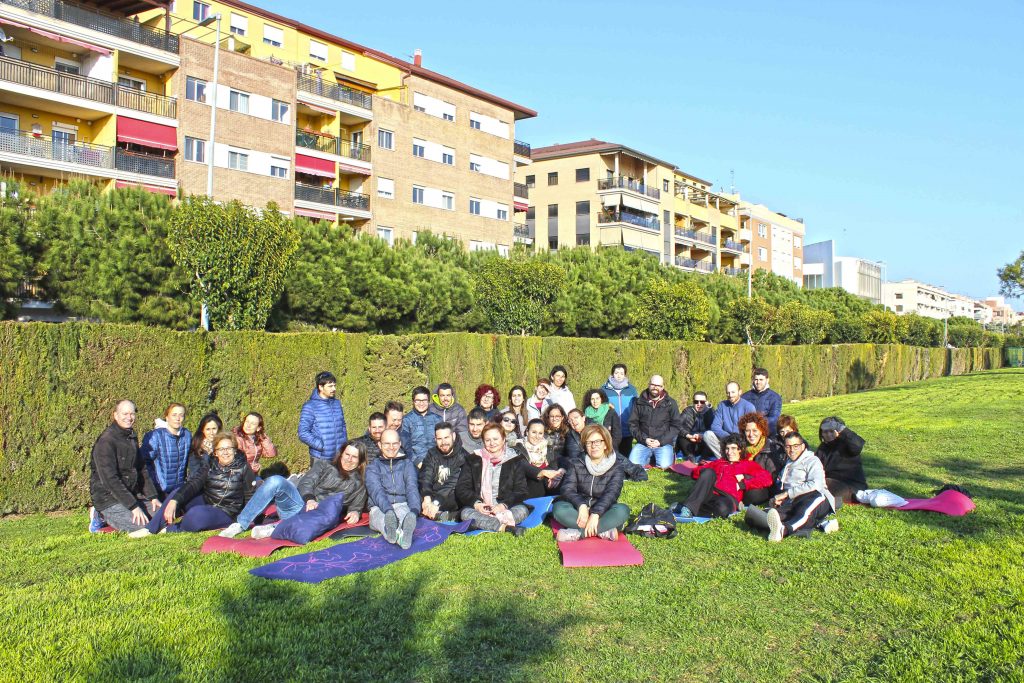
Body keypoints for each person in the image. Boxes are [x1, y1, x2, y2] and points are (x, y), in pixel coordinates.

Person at [219, 441, 368, 538]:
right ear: (341, 453)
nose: (349, 459)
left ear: (360, 461)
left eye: (354, 457)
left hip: (318, 518)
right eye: (347, 454)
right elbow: (306, 482)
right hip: (299, 506)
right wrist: (310, 498)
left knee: (327, 518)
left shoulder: (359, 483)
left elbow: (357, 504)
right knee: (275, 480)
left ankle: (274, 529)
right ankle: (240, 524)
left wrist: (355, 512)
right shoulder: (324, 465)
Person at [140, 431, 259, 536]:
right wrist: (174, 501)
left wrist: (249, 520)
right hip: (208, 501)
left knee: (196, 515)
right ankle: (150, 529)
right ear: (216, 452)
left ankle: (174, 528)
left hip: (226, 511)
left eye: (229, 448)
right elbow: (194, 482)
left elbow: (250, 495)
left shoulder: (244, 467)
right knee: (177, 493)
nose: (225, 452)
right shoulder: (210, 465)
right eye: (221, 449)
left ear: (235, 450)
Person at [745, 432, 838, 541]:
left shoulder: (812, 461)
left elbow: (816, 484)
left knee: (804, 510)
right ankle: (819, 523)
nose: (792, 450)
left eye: (795, 446)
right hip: (792, 502)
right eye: (788, 447)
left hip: (816, 497)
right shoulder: (787, 464)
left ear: (803, 446)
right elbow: (782, 487)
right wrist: (776, 499)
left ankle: (783, 530)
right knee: (756, 516)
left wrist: (787, 494)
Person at [89, 400, 159, 533]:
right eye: (125, 413)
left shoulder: (131, 436)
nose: (129, 417)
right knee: (144, 528)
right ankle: (100, 514)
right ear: (115, 415)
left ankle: (128, 511)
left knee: (161, 516)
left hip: (130, 495)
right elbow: (110, 480)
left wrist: (153, 497)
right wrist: (134, 507)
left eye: (132, 413)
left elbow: (141, 468)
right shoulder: (106, 441)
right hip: (108, 498)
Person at [552, 424, 630, 542]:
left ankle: (578, 533)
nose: (594, 446)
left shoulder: (617, 467)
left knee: (622, 510)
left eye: (598, 441)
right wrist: (581, 506)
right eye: (589, 443)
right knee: (559, 509)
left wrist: (595, 514)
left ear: (605, 444)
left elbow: (612, 494)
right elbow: (567, 489)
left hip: (603, 511)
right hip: (578, 512)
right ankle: (605, 529)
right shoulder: (576, 463)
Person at [455, 422, 530, 535]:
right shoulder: (473, 459)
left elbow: (521, 490)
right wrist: (477, 504)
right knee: (465, 513)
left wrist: (503, 505)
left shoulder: (515, 460)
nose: (492, 443)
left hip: (506, 507)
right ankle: (505, 527)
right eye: (488, 440)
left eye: (495, 439)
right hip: (481, 508)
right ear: (483, 441)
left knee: (522, 510)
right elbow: (462, 488)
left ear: (503, 439)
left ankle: (488, 523)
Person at [675, 435, 772, 519]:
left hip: (729, 498)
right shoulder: (718, 462)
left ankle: (686, 506)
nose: (729, 452)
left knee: (722, 509)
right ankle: (689, 508)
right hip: (710, 492)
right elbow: (695, 473)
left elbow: (766, 478)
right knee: (708, 472)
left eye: (733, 448)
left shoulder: (748, 464)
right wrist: (707, 474)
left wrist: (743, 483)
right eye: (727, 448)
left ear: (740, 450)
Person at [365, 429, 420, 550]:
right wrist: (388, 510)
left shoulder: (407, 464)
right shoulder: (373, 466)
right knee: (382, 519)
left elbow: (412, 488)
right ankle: (394, 531)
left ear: (400, 444)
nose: (391, 447)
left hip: (401, 504)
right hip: (379, 507)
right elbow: (376, 491)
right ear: (380, 445)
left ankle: (400, 532)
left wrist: (415, 511)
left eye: (394, 443)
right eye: (387, 444)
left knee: (404, 516)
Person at [140, 403, 192, 499]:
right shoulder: (156, 436)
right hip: (160, 490)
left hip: (178, 490)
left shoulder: (187, 435)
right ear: (167, 417)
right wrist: (155, 483)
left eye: (181, 415)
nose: (178, 418)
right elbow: (144, 462)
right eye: (174, 415)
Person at [628, 375, 681, 470]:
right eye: (653, 384)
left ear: (662, 387)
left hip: (663, 443)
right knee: (633, 465)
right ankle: (650, 457)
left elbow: (676, 426)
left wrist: (660, 441)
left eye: (658, 385)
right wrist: (644, 439)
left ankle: (662, 456)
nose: (655, 387)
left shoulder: (671, 403)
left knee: (665, 466)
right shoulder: (639, 402)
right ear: (648, 385)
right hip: (644, 442)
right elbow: (633, 424)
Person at [418, 422, 467, 522]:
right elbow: (426, 476)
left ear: (453, 436)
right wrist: (427, 498)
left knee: (457, 493)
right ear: (435, 439)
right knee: (416, 494)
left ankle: (441, 514)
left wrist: (436, 502)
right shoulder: (432, 453)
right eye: (439, 439)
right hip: (433, 493)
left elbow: (452, 483)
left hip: (449, 494)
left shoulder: (463, 456)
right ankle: (439, 515)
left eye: (446, 437)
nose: (443, 442)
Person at [298, 371, 347, 466]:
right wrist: (322, 446)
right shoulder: (310, 406)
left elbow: (343, 426)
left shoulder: (337, 404)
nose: (334, 389)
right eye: (330, 386)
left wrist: (344, 445)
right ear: (320, 387)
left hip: (338, 457)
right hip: (320, 459)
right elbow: (303, 433)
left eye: (334, 385)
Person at [816, 416, 867, 504]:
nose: (828, 434)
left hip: (851, 487)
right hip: (830, 485)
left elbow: (858, 445)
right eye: (825, 432)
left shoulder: (848, 444)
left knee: (828, 484)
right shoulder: (822, 449)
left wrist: (842, 429)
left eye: (831, 431)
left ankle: (832, 502)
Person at [704, 381, 756, 459]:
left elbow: (751, 429)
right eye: (728, 393)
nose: (730, 395)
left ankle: (738, 458)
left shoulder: (749, 407)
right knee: (707, 435)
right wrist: (729, 438)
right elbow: (715, 426)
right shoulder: (722, 405)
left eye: (733, 392)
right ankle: (724, 459)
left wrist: (736, 440)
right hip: (726, 439)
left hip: (741, 441)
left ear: (740, 392)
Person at [516, 418, 565, 498]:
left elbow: (563, 461)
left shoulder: (548, 448)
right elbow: (522, 466)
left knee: (559, 477)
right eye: (534, 432)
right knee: (539, 480)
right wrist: (542, 472)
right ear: (527, 432)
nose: (537, 436)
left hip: (548, 490)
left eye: (540, 433)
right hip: (527, 491)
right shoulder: (518, 448)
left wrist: (561, 471)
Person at [602, 363, 639, 455]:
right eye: (616, 373)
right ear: (612, 374)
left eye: (622, 373)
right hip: (612, 428)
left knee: (626, 455)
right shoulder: (604, 389)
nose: (619, 375)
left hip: (627, 428)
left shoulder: (632, 389)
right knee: (612, 454)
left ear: (625, 375)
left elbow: (636, 407)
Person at [400, 387, 442, 466]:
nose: (421, 403)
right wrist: (417, 462)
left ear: (428, 401)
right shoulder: (406, 420)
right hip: (415, 464)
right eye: (418, 400)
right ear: (413, 401)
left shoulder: (438, 419)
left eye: (424, 400)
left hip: (437, 462)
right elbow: (406, 445)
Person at [676, 391, 715, 463]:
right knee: (681, 436)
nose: (699, 404)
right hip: (690, 442)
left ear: (706, 402)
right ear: (693, 402)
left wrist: (702, 436)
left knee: (711, 437)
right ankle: (690, 457)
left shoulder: (710, 412)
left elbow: (714, 428)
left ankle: (703, 458)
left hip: (704, 442)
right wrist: (689, 436)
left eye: (702, 402)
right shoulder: (687, 411)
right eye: (696, 401)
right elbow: (677, 425)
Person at [742, 368, 783, 433]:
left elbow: (774, 418)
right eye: (756, 379)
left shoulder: (775, 397)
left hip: (768, 434)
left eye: (761, 379)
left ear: (767, 380)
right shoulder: (744, 397)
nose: (758, 382)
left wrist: (756, 424)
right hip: (748, 434)